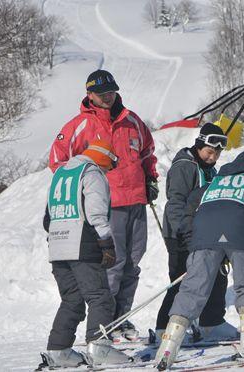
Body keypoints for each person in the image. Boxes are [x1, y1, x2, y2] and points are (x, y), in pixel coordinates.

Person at [48, 70, 159, 343]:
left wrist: (151, 178)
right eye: (102, 94)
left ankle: (122, 316)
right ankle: (105, 322)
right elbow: (57, 161)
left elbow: (147, 153)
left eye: (111, 92)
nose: (108, 97)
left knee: (133, 263)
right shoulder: (78, 125)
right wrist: (81, 190)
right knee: (113, 263)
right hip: (107, 205)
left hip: (136, 200)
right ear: (89, 94)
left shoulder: (132, 121)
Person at [155, 150, 244, 370]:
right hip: (239, 234)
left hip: (203, 235)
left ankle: (167, 348)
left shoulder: (214, 183)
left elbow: (191, 204)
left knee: (192, 290)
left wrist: (192, 242)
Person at [41, 140, 131, 367]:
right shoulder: (92, 173)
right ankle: (99, 348)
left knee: (71, 299)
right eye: (110, 165)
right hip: (82, 244)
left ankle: (58, 350)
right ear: (104, 158)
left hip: (57, 246)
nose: (109, 170)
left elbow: (47, 217)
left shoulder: (61, 174)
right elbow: (95, 212)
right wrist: (106, 243)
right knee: (100, 296)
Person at [155, 123, 238, 343]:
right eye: (209, 152)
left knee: (218, 275)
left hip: (205, 232)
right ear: (199, 145)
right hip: (181, 233)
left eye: (217, 153)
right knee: (183, 280)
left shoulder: (209, 169)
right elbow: (176, 203)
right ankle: (164, 328)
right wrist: (185, 234)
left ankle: (212, 322)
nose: (213, 157)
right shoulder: (185, 167)